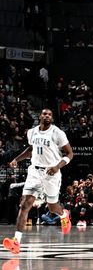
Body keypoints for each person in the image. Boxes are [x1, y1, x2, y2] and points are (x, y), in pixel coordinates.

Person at [4, 109, 74, 254]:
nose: (47, 116)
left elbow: (70, 153)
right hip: (34, 172)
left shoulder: (57, 133)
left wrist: (57, 167)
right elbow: (31, 149)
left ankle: (63, 215)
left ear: (52, 118)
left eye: (49, 114)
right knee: (25, 205)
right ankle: (16, 242)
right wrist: (16, 159)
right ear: (40, 116)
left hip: (51, 173)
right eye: (44, 114)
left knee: (52, 207)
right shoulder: (32, 132)